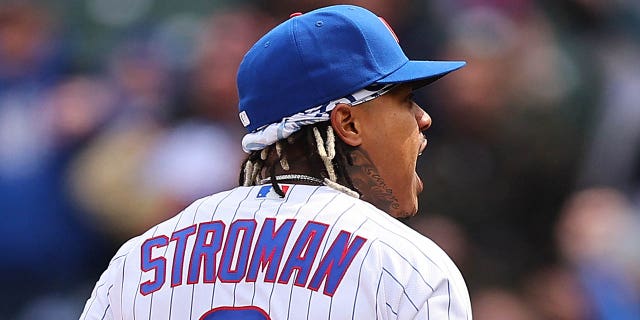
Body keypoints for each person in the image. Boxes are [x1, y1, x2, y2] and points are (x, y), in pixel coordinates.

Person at [80, 5, 471, 319]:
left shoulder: (139, 261)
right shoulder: (408, 270)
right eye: (404, 101)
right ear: (347, 122)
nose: (423, 118)